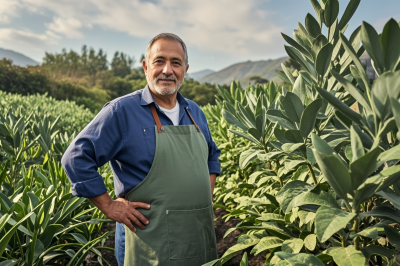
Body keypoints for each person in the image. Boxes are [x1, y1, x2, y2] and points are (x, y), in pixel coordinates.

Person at [61, 33, 221, 266]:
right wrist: (108, 206)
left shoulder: (194, 111)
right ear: (146, 67)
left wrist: (204, 195)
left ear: (185, 70)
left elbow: (212, 155)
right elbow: (76, 158)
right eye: (159, 61)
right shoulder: (121, 111)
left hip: (197, 233)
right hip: (148, 239)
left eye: (175, 63)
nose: (167, 70)